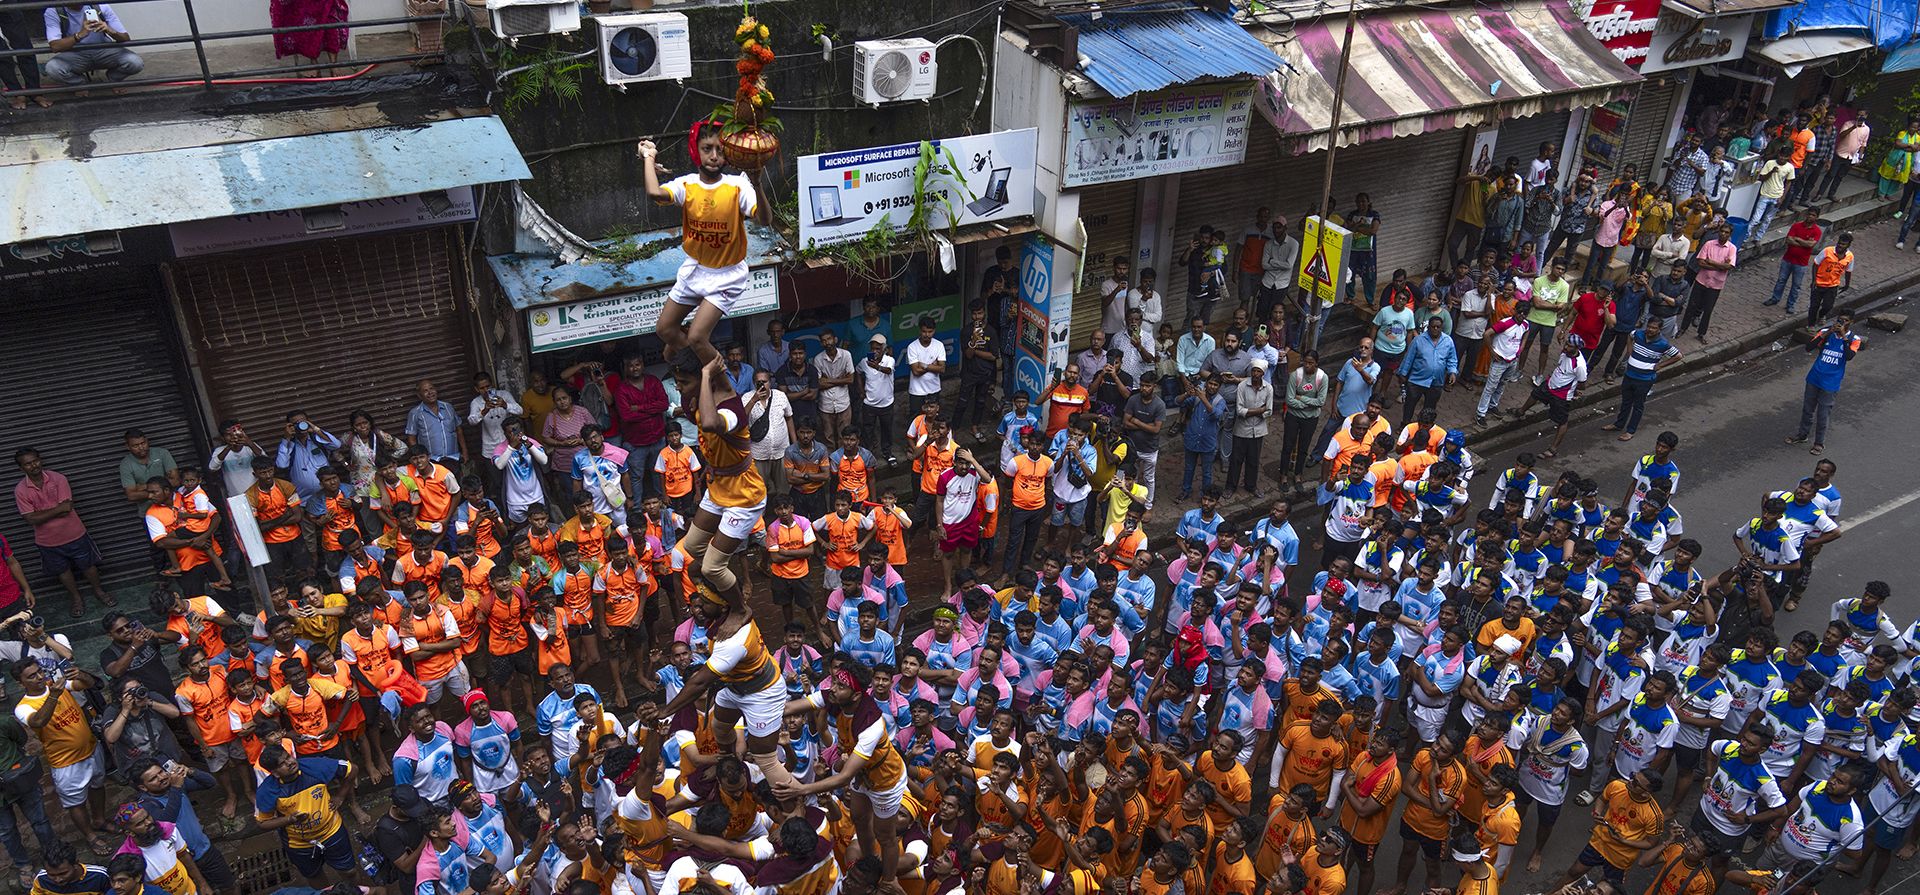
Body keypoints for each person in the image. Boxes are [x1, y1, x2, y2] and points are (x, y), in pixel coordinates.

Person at [636, 128, 770, 365]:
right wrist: (649, 156)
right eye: (707, 149)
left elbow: (765, 220)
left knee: (698, 337)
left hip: (727, 275)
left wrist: (758, 183)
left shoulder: (737, 185)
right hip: (696, 269)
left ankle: (721, 382)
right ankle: (700, 370)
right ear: (696, 151)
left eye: (720, 149)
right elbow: (653, 192)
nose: (714, 156)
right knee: (665, 329)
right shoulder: (687, 185)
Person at [11, 449, 112, 618]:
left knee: (88, 566)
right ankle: (76, 598)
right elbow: (30, 519)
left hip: (75, 534)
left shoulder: (58, 478)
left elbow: (66, 509)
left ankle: (99, 591)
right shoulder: (21, 490)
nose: (33, 465)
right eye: (28, 463)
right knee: (63, 572)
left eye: (35, 460)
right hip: (47, 541)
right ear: (21, 468)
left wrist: (42, 514)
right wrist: (56, 509)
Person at [1786, 309, 1864, 454]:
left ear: (1851, 322)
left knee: (1823, 413)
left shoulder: (1854, 339)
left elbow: (1849, 356)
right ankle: (1802, 435)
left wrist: (1842, 336)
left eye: (1845, 320)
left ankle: (1819, 443)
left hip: (1831, 382)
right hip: (1815, 377)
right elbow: (1809, 347)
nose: (1841, 323)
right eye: (1840, 319)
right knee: (1807, 409)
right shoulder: (1825, 332)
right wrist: (1828, 333)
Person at [42, 2, 142, 85]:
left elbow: (125, 38)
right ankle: (79, 83)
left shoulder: (100, 6)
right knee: (52, 68)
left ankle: (113, 79)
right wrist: (80, 35)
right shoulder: (54, 11)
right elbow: (55, 46)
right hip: (75, 54)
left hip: (104, 50)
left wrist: (109, 30)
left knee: (135, 62)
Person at [1397, 316, 1458, 428]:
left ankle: (1423, 427)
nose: (1435, 329)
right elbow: (1409, 358)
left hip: (1436, 382)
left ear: (1441, 328)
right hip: (1417, 380)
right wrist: (1403, 373)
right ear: (1428, 327)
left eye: (1438, 327)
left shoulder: (1448, 341)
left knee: (1430, 408)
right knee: (1410, 404)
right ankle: (1404, 424)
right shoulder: (1419, 340)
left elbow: (1452, 359)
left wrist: (1452, 372)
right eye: (1433, 326)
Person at [1680, 224, 1736, 343]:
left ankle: (1701, 333)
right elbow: (1700, 262)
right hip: (1701, 280)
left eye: (1726, 232)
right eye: (1722, 231)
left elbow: (1729, 266)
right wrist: (1720, 266)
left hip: (1716, 284)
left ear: (1730, 235)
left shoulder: (1732, 248)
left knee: (1708, 309)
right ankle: (1683, 328)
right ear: (1719, 231)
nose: (1723, 234)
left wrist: (1711, 262)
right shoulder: (1709, 244)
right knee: (1691, 305)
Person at [1228, 359, 1273, 498]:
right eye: (1254, 370)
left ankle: (1251, 486)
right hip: (1241, 430)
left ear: (1263, 374)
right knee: (1236, 459)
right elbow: (1240, 411)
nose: (1255, 373)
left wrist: (1255, 411)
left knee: (1253, 460)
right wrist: (1259, 410)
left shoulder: (1268, 388)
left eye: (1258, 371)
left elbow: (1269, 411)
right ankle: (1230, 487)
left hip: (1258, 431)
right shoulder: (1242, 386)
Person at [1764, 207, 1823, 313]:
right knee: (1781, 280)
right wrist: (1803, 243)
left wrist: (1798, 239)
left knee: (1796, 285)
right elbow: (1789, 240)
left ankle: (1790, 304)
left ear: (1817, 217)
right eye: (1809, 214)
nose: (1810, 216)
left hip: (1801, 263)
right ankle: (1775, 298)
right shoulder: (1796, 226)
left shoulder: (1816, 231)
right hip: (1788, 259)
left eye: (1813, 215)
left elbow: (1810, 245)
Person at [1804, 231, 1854, 331]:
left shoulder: (1850, 257)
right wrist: (1814, 280)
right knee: (1814, 306)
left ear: (1848, 245)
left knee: (1828, 306)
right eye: (1839, 243)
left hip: (1833, 285)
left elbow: (1848, 271)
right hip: (1819, 284)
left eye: (1843, 244)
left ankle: (1822, 315)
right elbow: (1816, 264)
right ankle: (1811, 325)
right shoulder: (1827, 251)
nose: (1840, 245)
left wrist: (1847, 284)